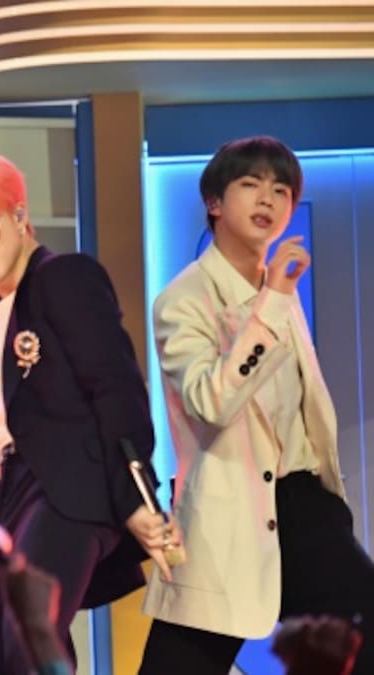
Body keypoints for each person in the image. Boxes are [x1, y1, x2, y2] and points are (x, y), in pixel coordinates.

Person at [0, 150, 179, 675]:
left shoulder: (64, 276)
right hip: (14, 496)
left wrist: (136, 496)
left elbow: (117, 388)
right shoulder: (5, 308)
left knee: (27, 644)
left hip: (65, 487)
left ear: (19, 215)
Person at [140, 135, 374, 674]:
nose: (267, 198)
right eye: (250, 185)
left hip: (304, 507)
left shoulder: (277, 292)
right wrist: (271, 302)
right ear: (214, 202)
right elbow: (211, 402)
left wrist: (329, 503)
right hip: (227, 513)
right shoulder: (184, 300)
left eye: (281, 189)